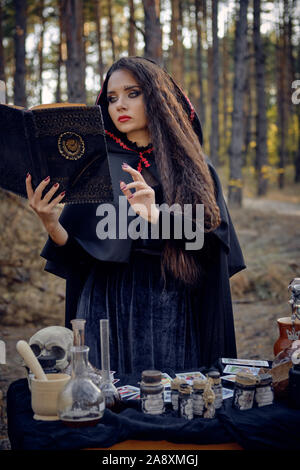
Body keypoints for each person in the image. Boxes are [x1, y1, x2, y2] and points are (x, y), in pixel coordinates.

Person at [26, 56, 246, 375]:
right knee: (106, 404)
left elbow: (211, 246)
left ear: (157, 97)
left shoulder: (192, 167)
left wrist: (157, 215)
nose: (120, 105)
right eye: (112, 98)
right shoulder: (96, 167)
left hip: (171, 306)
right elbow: (78, 259)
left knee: (167, 404)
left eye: (132, 93)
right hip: (104, 304)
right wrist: (50, 222)